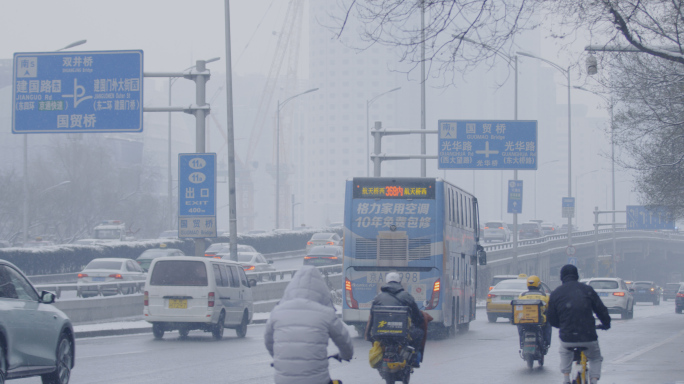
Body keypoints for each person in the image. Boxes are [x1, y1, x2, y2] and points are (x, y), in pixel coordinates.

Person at [264, 266, 353, 384]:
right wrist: (345, 355)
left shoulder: (277, 312)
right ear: (322, 291)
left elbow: (268, 341)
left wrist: (278, 358)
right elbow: (344, 340)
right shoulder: (326, 313)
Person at [547, 264, 611, 384]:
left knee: (565, 351)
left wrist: (562, 325)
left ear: (562, 277)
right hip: (588, 335)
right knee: (595, 357)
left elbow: (551, 317)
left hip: (567, 336)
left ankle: (566, 378)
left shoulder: (556, 293)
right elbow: (601, 310)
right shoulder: (587, 290)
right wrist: (606, 324)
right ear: (577, 276)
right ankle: (594, 380)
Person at [365, 272, 426, 366]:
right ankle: (413, 359)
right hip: (402, 335)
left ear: (386, 282)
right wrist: (419, 320)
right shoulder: (407, 296)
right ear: (399, 282)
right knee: (419, 333)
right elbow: (417, 316)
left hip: (381, 334)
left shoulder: (378, 298)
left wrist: (368, 335)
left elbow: (372, 317)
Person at [517, 275, 551, 351]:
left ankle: (522, 341)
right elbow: (548, 308)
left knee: (519, 326)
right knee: (548, 323)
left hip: (524, 320)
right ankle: (546, 342)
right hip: (540, 320)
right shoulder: (544, 296)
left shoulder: (522, 295)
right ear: (538, 285)